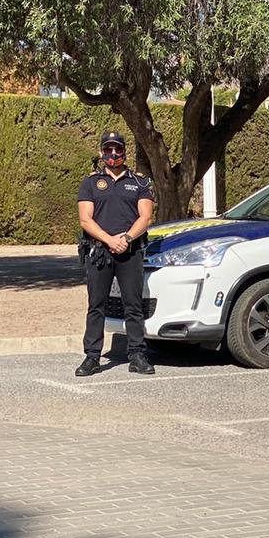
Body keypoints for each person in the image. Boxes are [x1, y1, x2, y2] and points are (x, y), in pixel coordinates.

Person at [76, 131, 156, 376]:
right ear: (102, 152)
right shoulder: (90, 182)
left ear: (124, 151)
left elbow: (146, 216)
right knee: (96, 305)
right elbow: (85, 219)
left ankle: (137, 355)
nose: (113, 154)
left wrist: (127, 238)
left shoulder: (140, 182)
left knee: (132, 305)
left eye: (117, 149)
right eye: (108, 149)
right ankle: (92, 357)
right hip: (100, 251)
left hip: (129, 251)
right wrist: (109, 239)